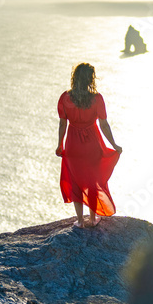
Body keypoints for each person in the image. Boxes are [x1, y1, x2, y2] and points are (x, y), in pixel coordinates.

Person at [56, 63, 123, 228]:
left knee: (75, 180)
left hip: (73, 143)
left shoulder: (65, 97)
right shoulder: (96, 98)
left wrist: (59, 145)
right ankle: (93, 219)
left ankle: (79, 221)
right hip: (92, 143)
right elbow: (104, 125)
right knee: (92, 181)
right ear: (90, 79)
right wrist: (114, 144)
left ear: (74, 78)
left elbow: (62, 124)